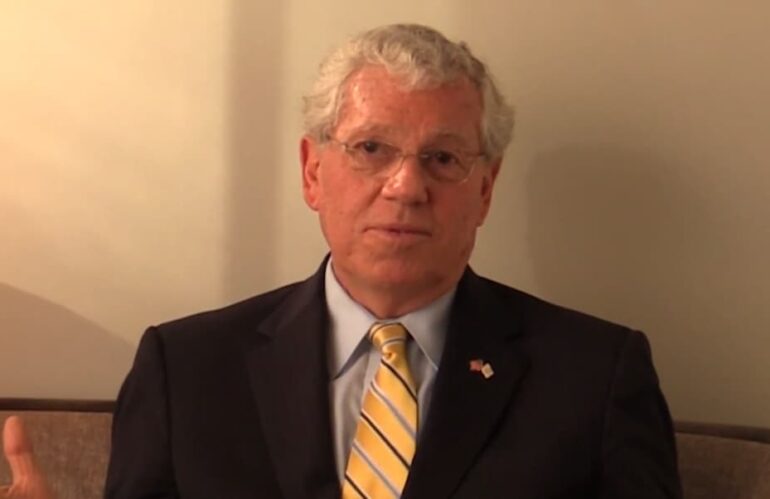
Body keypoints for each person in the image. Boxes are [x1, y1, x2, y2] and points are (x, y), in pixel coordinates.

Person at [3, 23, 682, 498]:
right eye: (371, 148)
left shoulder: (595, 375)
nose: (406, 186)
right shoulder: (185, 370)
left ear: (484, 189)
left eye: (442, 158)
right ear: (312, 171)